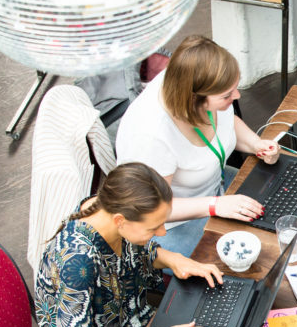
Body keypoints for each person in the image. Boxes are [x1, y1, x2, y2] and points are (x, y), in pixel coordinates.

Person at [35, 163, 221, 327]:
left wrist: (173, 258)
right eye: (153, 228)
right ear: (120, 221)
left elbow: (136, 250)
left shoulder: (105, 209)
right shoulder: (76, 261)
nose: (162, 232)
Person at [116, 35, 280, 257]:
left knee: (278, 211)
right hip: (170, 223)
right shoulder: (151, 137)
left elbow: (225, 120)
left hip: (214, 190)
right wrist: (215, 206)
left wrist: (256, 143)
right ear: (194, 99)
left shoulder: (192, 82)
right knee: (252, 256)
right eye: (227, 95)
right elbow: (152, 208)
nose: (237, 96)